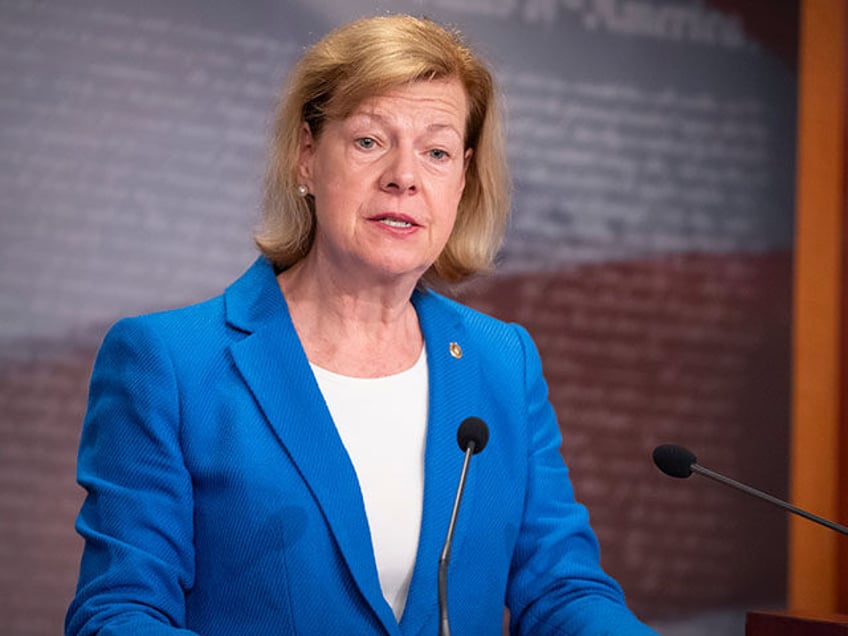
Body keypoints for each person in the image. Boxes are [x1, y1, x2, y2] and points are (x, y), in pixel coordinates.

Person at [65, 14, 657, 636]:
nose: (405, 176)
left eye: (436, 151)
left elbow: (561, 588)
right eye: (370, 141)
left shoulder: (502, 361)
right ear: (305, 157)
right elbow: (119, 613)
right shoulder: (170, 363)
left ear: (462, 180)